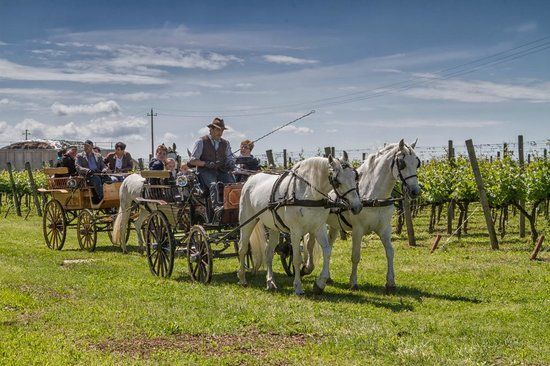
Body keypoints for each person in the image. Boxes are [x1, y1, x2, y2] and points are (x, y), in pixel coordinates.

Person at [189, 117, 236, 222]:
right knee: (214, 185)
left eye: (222, 130)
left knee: (233, 185)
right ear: (211, 129)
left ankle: (234, 208)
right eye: (218, 130)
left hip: (221, 170)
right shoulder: (201, 141)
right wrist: (205, 163)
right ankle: (217, 208)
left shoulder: (226, 143)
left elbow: (230, 158)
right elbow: (192, 161)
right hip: (205, 171)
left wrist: (231, 163)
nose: (220, 132)